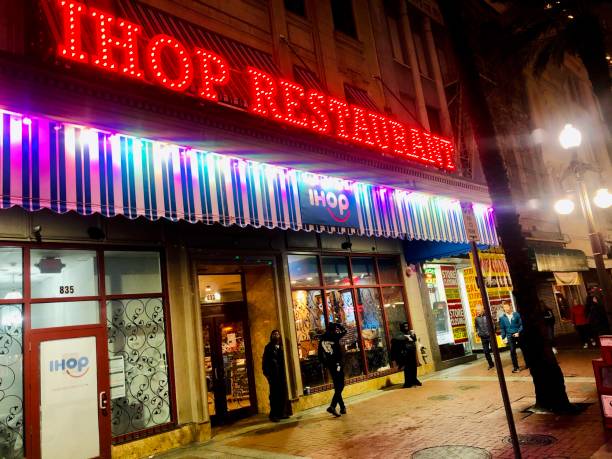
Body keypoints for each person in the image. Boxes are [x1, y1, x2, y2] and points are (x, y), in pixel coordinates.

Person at [318, 322, 347, 417]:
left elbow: (319, 355)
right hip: (337, 364)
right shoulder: (334, 336)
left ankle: (342, 407)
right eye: (335, 328)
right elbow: (345, 331)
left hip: (330, 365)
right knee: (341, 385)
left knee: (337, 385)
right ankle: (333, 406)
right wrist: (339, 325)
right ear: (334, 329)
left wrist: (326, 364)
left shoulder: (322, 338)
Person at [262, 330, 289, 422]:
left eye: (277, 334)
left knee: (282, 394)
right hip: (273, 376)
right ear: (271, 336)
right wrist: (267, 375)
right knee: (274, 395)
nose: (276, 336)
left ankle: (282, 413)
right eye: (274, 334)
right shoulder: (268, 347)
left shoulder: (282, 347)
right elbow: (264, 362)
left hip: (281, 375)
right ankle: (273, 415)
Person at [390, 322, 422, 387]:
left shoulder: (409, 332)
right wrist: (406, 337)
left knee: (413, 367)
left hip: (412, 353)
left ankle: (414, 379)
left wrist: (412, 335)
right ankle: (408, 382)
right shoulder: (399, 334)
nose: (406, 327)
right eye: (405, 326)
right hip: (405, 354)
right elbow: (395, 339)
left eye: (407, 326)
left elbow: (414, 340)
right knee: (407, 368)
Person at [499, 302, 523, 373]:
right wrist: (503, 337)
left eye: (507, 307)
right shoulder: (502, 318)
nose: (506, 309)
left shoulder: (516, 315)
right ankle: (516, 367)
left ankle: (528, 364)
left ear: (510, 307)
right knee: (512, 351)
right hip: (509, 336)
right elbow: (502, 328)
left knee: (524, 348)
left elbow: (521, 324)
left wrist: (518, 332)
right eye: (504, 307)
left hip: (518, 334)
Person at [474, 305, 494, 369]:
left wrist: (492, 333)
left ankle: (498, 362)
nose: (477, 311)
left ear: (482, 309)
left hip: (490, 336)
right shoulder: (476, 318)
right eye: (476, 310)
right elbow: (476, 327)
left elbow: (493, 325)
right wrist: (478, 333)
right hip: (483, 337)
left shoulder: (488, 316)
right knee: (486, 352)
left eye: (478, 310)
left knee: (494, 351)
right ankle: (491, 364)